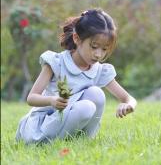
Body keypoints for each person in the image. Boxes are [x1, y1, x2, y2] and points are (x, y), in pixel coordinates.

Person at [16, 8, 137, 144]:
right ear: (76, 38)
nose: (98, 54)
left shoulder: (98, 70)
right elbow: (31, 98)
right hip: (43, 125)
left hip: (69, 119)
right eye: (94, 46)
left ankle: (83, 141)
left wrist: (128, 105)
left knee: (96, 94)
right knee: (86, 107)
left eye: (104, 49)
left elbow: (128, 98)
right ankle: (47, 143)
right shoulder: (57, 63)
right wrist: (51, 100)